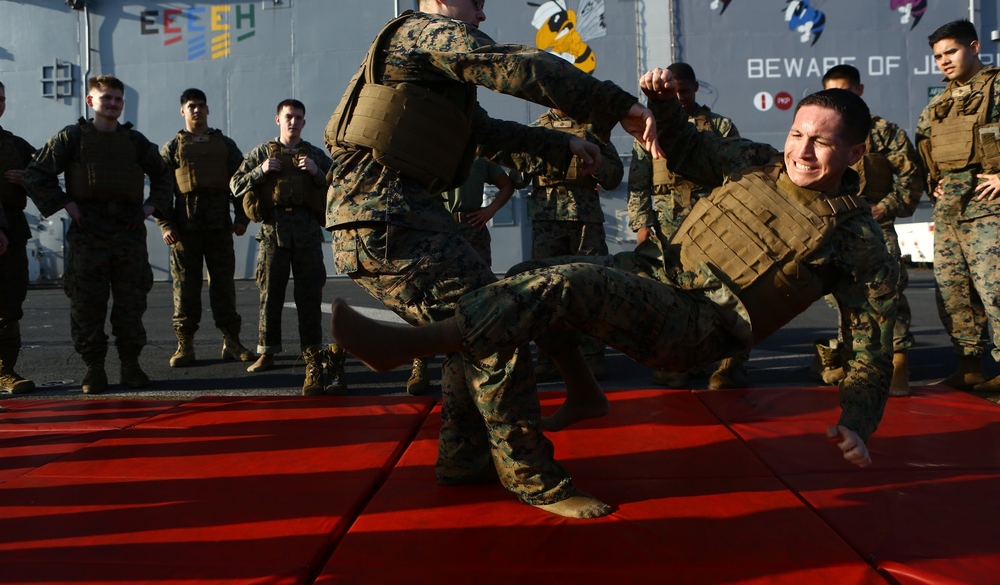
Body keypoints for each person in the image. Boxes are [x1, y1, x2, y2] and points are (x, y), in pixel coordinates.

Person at [331, 72, 896, 520]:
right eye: (797, 134)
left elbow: (871, 345)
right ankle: (579, 391)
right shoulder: (756, 162)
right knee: (533, 270)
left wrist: (858, 422)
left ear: (854, 152)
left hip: (698, 327)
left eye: (821, 142)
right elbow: (690, 153)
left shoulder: (856, 239)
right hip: (654, 274)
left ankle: (409, 346)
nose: (801, 150)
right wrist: (664, 104)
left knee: (567, 286)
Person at [323, 0, 658, 519]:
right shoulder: (423, 33)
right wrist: (616, 106)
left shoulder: (429, 73)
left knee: (469, 332)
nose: (481, 13)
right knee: (496, 329)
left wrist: (561, 146)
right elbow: (515, 66)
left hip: (408, 219)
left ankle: (464, 457)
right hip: (386, 222)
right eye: (474, 0)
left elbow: (482, 132)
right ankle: (533, 478)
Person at [23, 75, 172, 394]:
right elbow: (36, 173)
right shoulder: (72, 137)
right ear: (91, 101)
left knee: (131, 303)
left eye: (118, 99)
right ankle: (94, 368)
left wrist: (149, 209)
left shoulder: (136, 142)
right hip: (87, 231)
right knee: (86, 304)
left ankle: (131, 364)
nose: (114, 104)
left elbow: (164, 177)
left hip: (128, 232)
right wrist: (66, 204)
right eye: (107, 98)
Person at [626, 61, 745, 390]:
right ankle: (681, 364)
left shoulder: (719, 126)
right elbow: (639, 181)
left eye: (685, 91)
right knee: (676, 297)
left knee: (725, 293)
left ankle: (730, 367)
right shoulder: (651, 126)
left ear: (694, 88)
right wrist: (642, 224)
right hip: (669, 227)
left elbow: (737, 177)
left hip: (715, 221)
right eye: (673, 92)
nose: (679, 98)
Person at [818, 65, 923, 396]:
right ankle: (856, 367)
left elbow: (910, 177)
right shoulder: (820, 132)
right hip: (836, 228)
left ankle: (898, 371)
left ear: (860, 90)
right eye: (834, 91)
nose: (843, 97)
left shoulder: (884, 133)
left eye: (848, 90)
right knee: (842, 299)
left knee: (887, 296)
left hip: (876, 229)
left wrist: (886, 208)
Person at [230, 99, 343, 397]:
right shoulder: (262, 154)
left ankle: (312, 355)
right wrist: (261, 171)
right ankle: (267, 352)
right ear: (277, 120)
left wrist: (318, 172)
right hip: (272, 233)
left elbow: (340, 188)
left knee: (309, 297)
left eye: (298, 118)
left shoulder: (315, 155)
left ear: (304, 123)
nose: (293, 122)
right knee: (270, 296)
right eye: (288, 117)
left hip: (307, 233)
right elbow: (235, 184)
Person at [914, 20, 1000, 392]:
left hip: (990, 210)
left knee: (996, 290)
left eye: (951, 51)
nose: (944, 61)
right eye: (938, 56)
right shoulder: (938, 104)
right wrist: (934, 185)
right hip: (950, 213)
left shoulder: (997, 88)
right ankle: (970, 369)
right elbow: (926, 152)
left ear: (975, 46)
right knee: (953, 292)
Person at [156, 88, 254, 369]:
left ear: (208, 110)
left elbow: (241, 181)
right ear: (182, 111)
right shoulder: (173, 147)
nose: (196, 110)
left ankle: (232, 342)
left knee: (223, 287)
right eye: (191, 106)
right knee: (185, 288)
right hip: (184, 229)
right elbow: (162, 188)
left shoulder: (224, 144)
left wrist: (242, 218)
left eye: (201, 106)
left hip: (219, 228)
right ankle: (185, 345)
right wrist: (165, 224)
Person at [525, 109, 623, 382]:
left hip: (585, 222)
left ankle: (591, 357)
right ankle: (548, 359)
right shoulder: (536, 128)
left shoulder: (593, 129)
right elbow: (518, 172)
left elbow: (614, 175)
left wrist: (596, 163)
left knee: (591, 287)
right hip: (547, 221)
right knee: (545, 289)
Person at [406, 157, 516, 395]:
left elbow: (507, 185)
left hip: (472, 228)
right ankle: (421, 362)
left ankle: (478, 364)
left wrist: (490, 210)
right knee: (426, 295)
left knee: (479, 298)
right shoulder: (432, 147)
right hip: (437, 227)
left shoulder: (479, 154)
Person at [0, 80, 38, 394]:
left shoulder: (15, 145)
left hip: (12, 232)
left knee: (10, 303)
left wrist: (29, 180)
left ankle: (4, 371)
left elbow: (45, 176)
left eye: (0, 98)